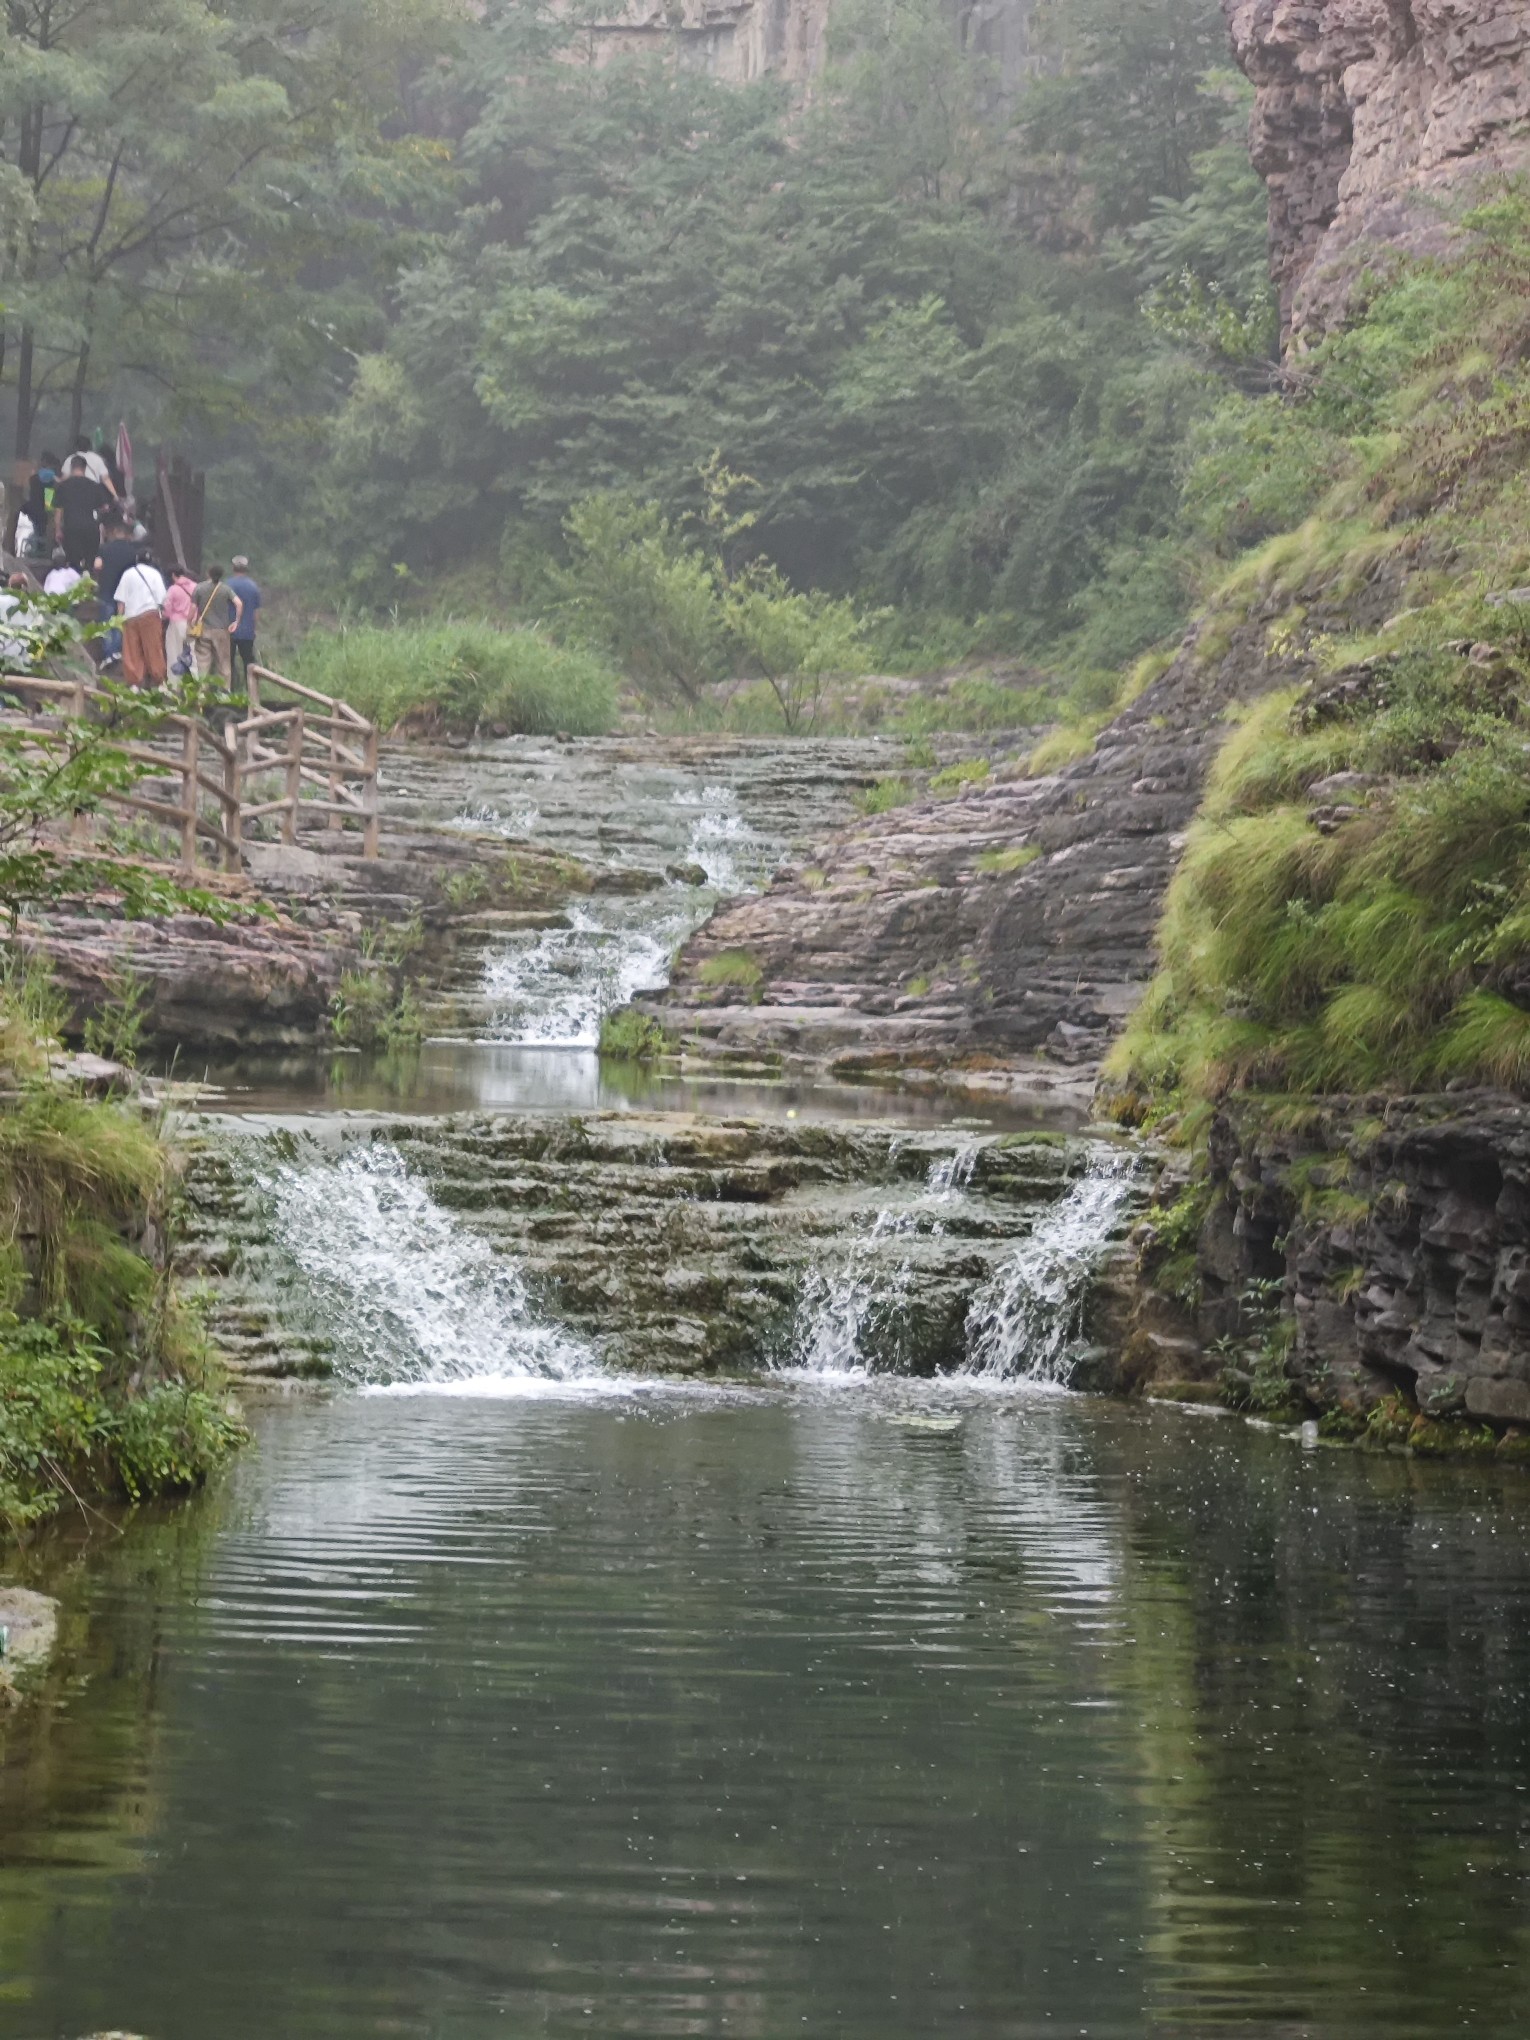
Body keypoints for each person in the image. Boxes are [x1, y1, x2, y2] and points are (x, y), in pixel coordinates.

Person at [115, 549, 168, 688]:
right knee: (153, 648)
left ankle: (135, 683)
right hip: (150, 614)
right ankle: (159, 681)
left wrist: (119, 619)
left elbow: (121, 600)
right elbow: (163, 599)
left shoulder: (128, 574)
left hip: (130, 616)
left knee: (132, 650)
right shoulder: (155, 574)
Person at [52, 455, 111, 571]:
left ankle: (76, 585)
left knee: (73, 563)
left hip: (71, 528)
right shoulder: (94, 486)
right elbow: (105, 507)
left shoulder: (62, 486)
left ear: (71, 467)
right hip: (90, 528)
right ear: (85, 468)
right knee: (90, 563)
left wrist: (57, 530)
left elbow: (58, 511)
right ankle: (88, 583)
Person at [190, 565, 243, 686]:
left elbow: (192, 608)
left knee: (203, 663)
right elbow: (239, 604)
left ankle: (202, 694)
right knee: (223, 664)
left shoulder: (199, 588)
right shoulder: (225, 589)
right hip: (221, 631)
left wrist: (190, 622)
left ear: (208, 573)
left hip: (204, 630)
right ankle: (224, 693)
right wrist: (236, 622)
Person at [227, 555, 261, 689]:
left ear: (233, 568)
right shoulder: (253, 586)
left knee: (227, 663)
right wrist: (254, 628)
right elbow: (256, 612)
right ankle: (252, 692)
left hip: (228, 630)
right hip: (247, 631)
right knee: (249, 663)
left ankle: (228, 691)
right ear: (246, 568)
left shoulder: (227, 585)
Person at [163, 570, 199, 674]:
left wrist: (165, 616)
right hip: (193, 624)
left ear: (174, 575)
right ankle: (197, 684)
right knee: (194, 654)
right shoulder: (196, 587)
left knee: (174, 652)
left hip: (176, 624)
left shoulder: (173, 589)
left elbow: (167, 607)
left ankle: (174, 685)